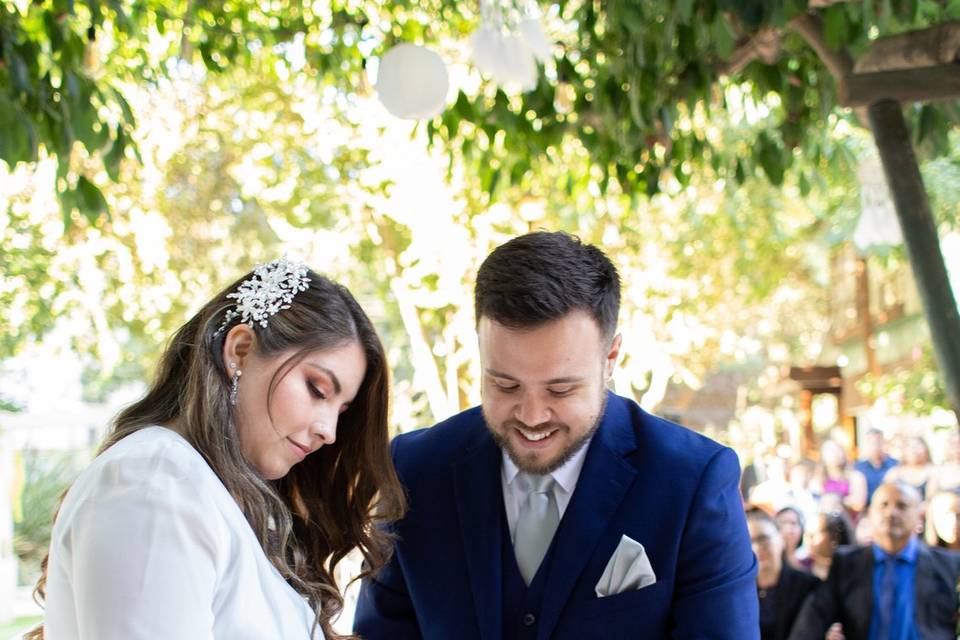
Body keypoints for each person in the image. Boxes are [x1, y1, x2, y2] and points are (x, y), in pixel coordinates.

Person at [354, 231, 758, 639]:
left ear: (611, 358)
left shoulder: (692, 480)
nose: (532, 416)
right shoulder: (414, 469)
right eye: (505, 385)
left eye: (561, 389)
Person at [29, 258, 406, 640]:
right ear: (239, 350)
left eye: (341, 410)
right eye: (317, 389)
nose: (329, 431)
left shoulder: (220, 499)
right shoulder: (154, 481)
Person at [788, 480, 960, 640]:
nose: (891, 513)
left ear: (919, 516)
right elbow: (811, 623)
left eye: (902, 505)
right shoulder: (846, 564)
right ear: (870, 514)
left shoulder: (949, 565)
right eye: (883, 505)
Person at [748, 509, 821, 640]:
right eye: (750, 542)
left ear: (781, 539)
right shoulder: (742, 591)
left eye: (763, 539)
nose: (757, 548)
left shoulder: (808, 585)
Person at [810, 440, 867, 518]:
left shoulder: (855, 476)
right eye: (830, 451)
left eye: (838, 450)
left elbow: (858, 503)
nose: (835, 454)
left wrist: (836, 501)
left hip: (850, 522)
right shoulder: (818, 479)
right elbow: (815, 502)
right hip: (827, 522)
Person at [801, 510, 855, 580]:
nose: (808, 538)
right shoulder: (801, 566)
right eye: (806, 533)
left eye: (814, 534)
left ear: (834, 538)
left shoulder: (851, 568)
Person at [853, 429, 898, 506]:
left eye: (878, 443)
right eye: (871, 443)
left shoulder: (895, 465)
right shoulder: (858, 467)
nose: (875, 447)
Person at [885, 435, 935, 500]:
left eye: (918, 446)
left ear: (926, 449)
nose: (914, 450)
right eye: (910, 446)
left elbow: (931, 499)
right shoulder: (894, 473)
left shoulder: (932, 471)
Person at [775, 506, 807, 570]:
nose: (788, 529)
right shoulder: (769, 563)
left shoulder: (809, 563)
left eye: (793, 523)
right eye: (782, 523)